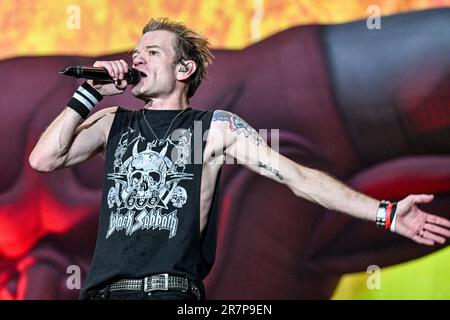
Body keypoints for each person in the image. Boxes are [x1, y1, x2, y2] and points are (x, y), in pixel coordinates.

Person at [29, 18, 450, 300]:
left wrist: (387, 213)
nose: (136, 58)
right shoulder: (111, 123)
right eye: (136, 52)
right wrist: (87, 96)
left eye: (152, 52)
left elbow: (298, 177)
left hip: (169, 292)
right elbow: (44, 160)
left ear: (183, 69)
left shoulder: (213, 129)